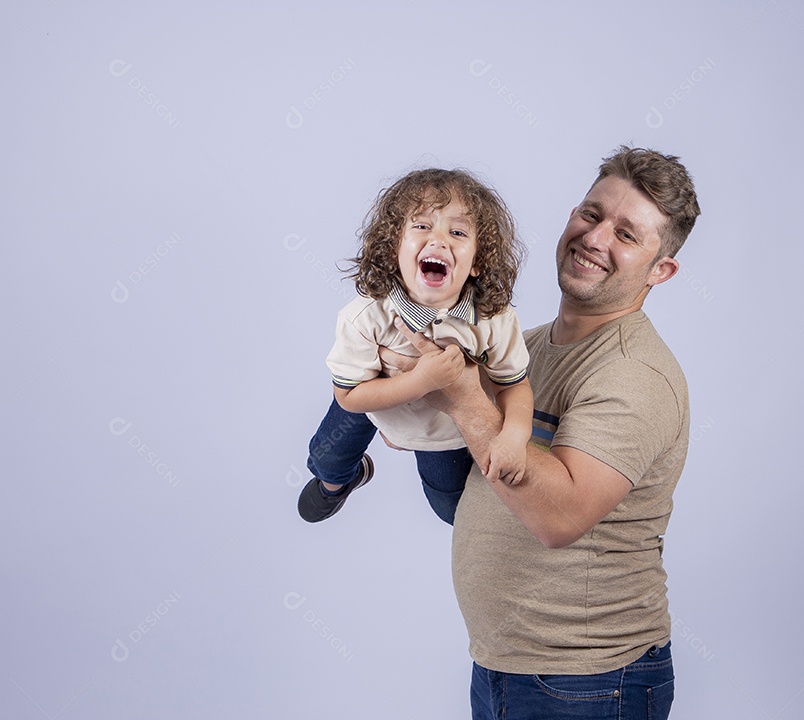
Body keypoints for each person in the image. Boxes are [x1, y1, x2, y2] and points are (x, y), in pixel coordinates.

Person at [389, 147, 700, 719]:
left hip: (589, 681)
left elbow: (557, 518)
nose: (596, 238)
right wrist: (416, 401)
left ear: (662, 270)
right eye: (591, 213)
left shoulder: (634, 374)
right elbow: (473, 490)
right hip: (504, 666)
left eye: (626, 234)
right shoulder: (524, 350)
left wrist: (460, 395)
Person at [297, 168, 533, 525]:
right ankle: (342, 481)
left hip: (442, 429)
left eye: (457, 232)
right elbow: (348, 396)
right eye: (422, 226)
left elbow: (513, 385)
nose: (438, 241)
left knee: (451, 510)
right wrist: (421, 381)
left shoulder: (493, 320)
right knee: (327, 460)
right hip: (372, 400)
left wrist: (515, 435)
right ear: (394, 248)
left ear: (477, 262)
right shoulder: (365, 316)